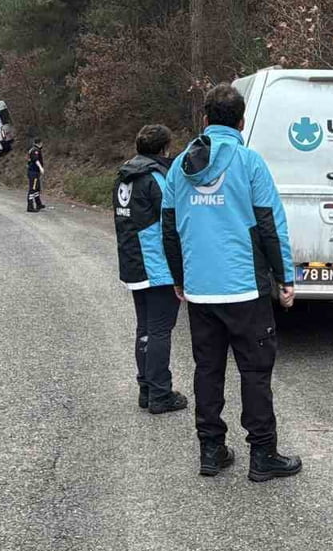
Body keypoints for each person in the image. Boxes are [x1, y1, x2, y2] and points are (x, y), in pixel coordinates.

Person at [161, 84, 301, 481]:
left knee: (208, 370)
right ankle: (262, 455)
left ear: (205, 120)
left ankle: (211, 451)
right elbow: (270, 226)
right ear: (241, 122)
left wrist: (179, 278)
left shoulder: (179, 167)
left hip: (201, 289)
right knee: (255, 373)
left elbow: (168, 229)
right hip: (245, 288)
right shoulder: (249, 162)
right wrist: (284, 278)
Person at [114, 124, 188, 415]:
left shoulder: (124, 177)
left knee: (145, 328)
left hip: (132, 262)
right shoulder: (155, 178)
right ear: (163, 149)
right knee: (160, 330)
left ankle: (146, 388)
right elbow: (172, 220)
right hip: (156, 265)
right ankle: (160, 393)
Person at [26, 138, 45, 212]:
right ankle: (30, 207)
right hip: (33, 172)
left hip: (34, 172)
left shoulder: (32, 149)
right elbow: (36, 160)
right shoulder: (35, 150)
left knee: (37, 188)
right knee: (33, 189)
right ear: (40, 143)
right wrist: (41, 168)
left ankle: (38, 204)